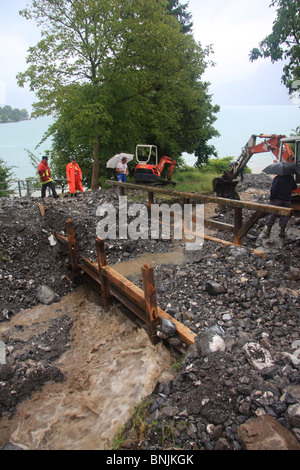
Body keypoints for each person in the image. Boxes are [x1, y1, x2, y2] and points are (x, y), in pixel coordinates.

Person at [263, 174, 297, 238]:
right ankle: (282, 232)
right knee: (285, 216)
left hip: (277, 200)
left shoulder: (277, 178)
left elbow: (273, 189)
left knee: (272, 214)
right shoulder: (290, 178)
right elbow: (295, 187)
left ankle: (268, 231)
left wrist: (271, 198)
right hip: (287, 200)